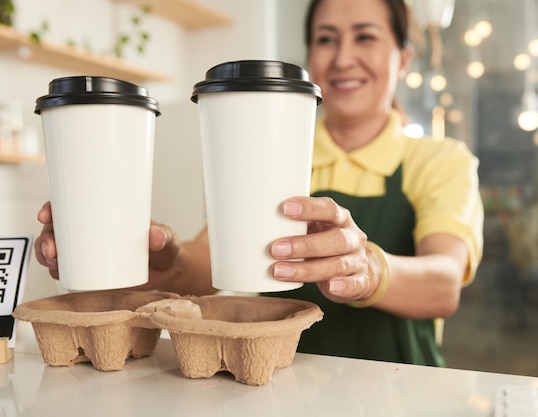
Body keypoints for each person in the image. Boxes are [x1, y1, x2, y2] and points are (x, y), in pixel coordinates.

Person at [35, 0, 483, 367]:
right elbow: (212, 264)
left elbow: (444, 284)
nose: (344, 58)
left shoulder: (439, 160)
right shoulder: (271, 151)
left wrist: (368, 269)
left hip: (404, 386)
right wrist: (160, 259)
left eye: (365, 36)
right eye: (326, 39)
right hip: (279, 380)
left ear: (403, 57)